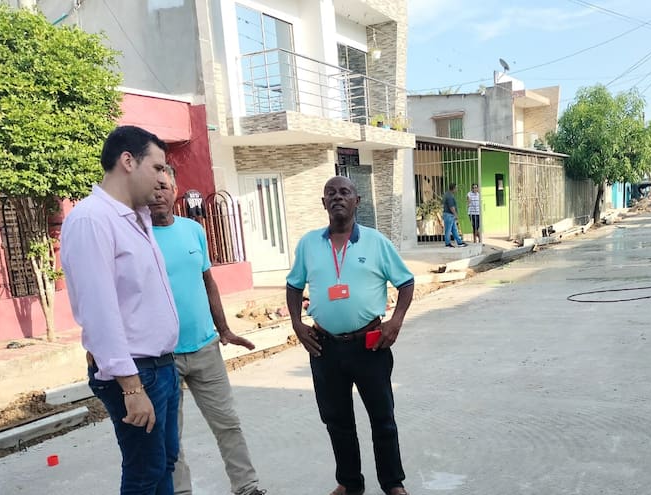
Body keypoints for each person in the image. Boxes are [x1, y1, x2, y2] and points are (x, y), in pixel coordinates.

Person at [61, 125, 180, 494]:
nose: (163, 178)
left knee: (164, 465)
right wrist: (130, 387)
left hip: (161, 367)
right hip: (134, 374)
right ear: (128, 161)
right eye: (158, 167)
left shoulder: (137, 218)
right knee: (145, 472)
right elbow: (99, 311)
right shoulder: (92, 220)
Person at [286, 176, 415, 495]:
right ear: (323, 203)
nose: (337, 197)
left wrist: (395, 321)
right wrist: (297, 325)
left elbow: (406, 282)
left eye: (345, 192)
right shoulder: (308, 244)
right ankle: (349, 482)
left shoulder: (375, 242)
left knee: (382, 418)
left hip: (370, 345)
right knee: (337, 420)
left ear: (357, 201)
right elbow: (293, 286)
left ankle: (392, 483)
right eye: (330, 193)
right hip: (325, 347)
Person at [148, 167, 266, 495]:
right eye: (152, 187)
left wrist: (224, 329)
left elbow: (207, 280)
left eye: (164, 186)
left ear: (175, 190)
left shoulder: (193, 230)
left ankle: (247, 487)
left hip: (205, 349)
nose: (158, 193)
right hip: (162, 357)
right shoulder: (136, 235)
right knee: (171, 435)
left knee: (228, 423)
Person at [442, 183, 467, 248]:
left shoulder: (447, 194)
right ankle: (447, 244)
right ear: (453, 188)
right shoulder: (449, 196)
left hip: (449, 215)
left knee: (454, 229)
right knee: (448, 230)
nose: (457, 189)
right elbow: (451, 207)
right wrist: (455, 214)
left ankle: (459, 242)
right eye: (456, 188)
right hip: (449, 215)